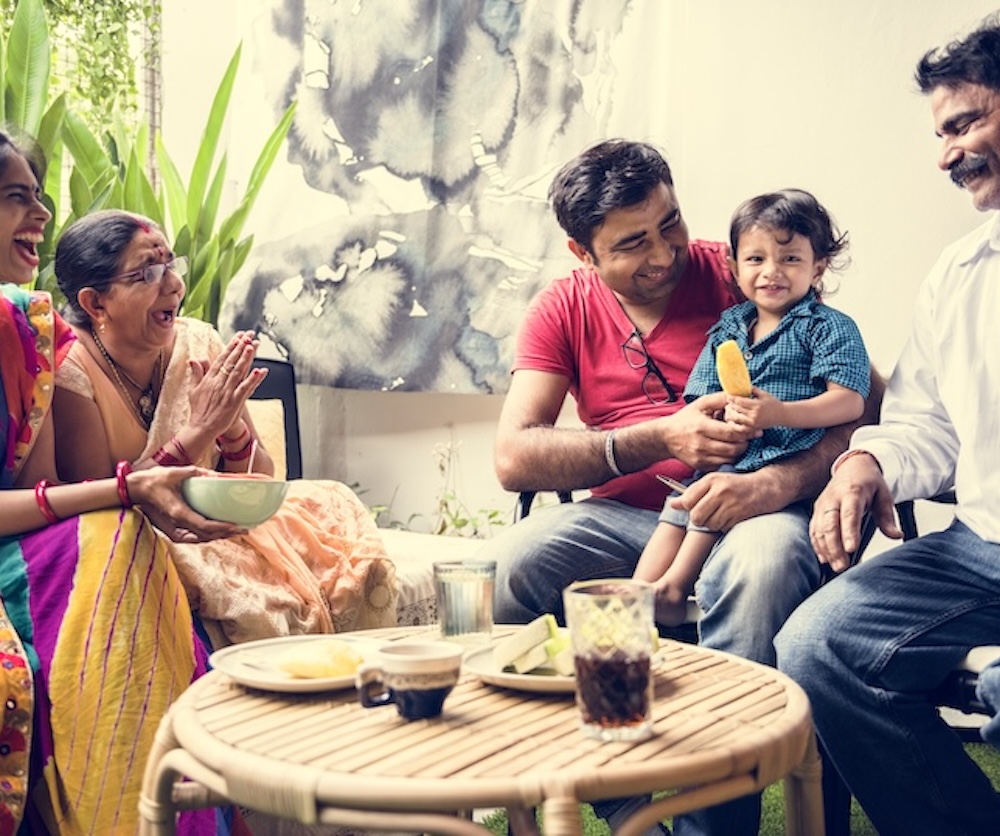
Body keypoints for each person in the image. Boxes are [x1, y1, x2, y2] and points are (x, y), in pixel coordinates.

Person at [478, 138, 880, 835]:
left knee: (760, 569)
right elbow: (514, 456)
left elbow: (866, 401)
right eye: (633, 243)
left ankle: (712, 828)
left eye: (670, 223)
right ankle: (618, 802)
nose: (665, 254)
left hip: (761, 510)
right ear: (583, 253)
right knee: (510, 566)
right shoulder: (562, 308)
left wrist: (779, 481)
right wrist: (659, 438)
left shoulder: (743, 267)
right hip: (636, 519)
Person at [775, 14, 1000, 835]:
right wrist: (866, 464)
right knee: (819, 645)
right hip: (984, 547)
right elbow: (924, 424)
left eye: (964, 124)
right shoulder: (960, 274)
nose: (947, 155)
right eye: (942, 134)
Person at [0, 128, 243, 833]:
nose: (41, 214)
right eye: (17, 197)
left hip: (26, 536)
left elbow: (48, 492)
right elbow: (83, 489)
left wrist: (215, 439)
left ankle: (161, 814)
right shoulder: (75, 364)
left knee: (117, 537)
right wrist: (135, 483)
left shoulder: (27, 327)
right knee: (116, 535)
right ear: (96, 301)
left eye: (39, 195)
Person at [53, 209, 399, 646]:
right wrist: (198, 432)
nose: (173, 285)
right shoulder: (70, 368)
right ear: (95, 303)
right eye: (147, 273)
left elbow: (259, 476)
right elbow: (99, 506)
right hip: (144, 539)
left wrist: (231, 428)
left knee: (334, 505)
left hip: (221, 524)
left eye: (172, 266)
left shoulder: (199, 343)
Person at [634, 189, 870, 625]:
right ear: (733, 266)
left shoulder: (828, 327)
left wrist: (780, 414)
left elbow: (850, 401)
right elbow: (700, 396)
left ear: (818, 267)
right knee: (680, 502)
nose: (771, 271)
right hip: (731, 453)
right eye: (756, 259)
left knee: (710, 498)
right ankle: (636, 592)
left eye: (790, 259)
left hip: (783, 462)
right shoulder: (728, 328)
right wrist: (717, 420)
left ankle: (673, 588)